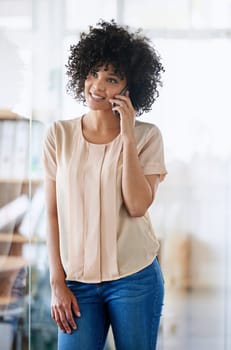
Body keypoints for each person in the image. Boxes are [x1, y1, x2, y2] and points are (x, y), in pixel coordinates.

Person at [43, 19, 167, 350]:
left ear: (131, 88)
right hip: (77, 283)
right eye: (94, 73)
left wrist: (127, 133)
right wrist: (57, 282)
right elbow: (52, 213)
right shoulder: (59, 135)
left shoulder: (146, 137)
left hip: (135, 279)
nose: (98, 85)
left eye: (112, 79)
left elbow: (138, 205)